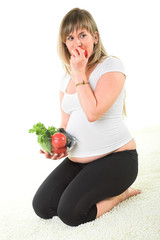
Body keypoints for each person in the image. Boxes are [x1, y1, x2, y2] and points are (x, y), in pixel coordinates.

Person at [32, 8, 141, 227]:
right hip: (79, 162)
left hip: (117, 159)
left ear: (95, 37)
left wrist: (80, 72)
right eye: (70, 38)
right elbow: (65, 126)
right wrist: (57, 147)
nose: (76, 42)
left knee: (70, 214)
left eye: (82, 35)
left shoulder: (111, 66)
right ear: (65, 44)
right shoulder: (65, 79)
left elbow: (93, 113)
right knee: (42, 206)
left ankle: (121, 194)